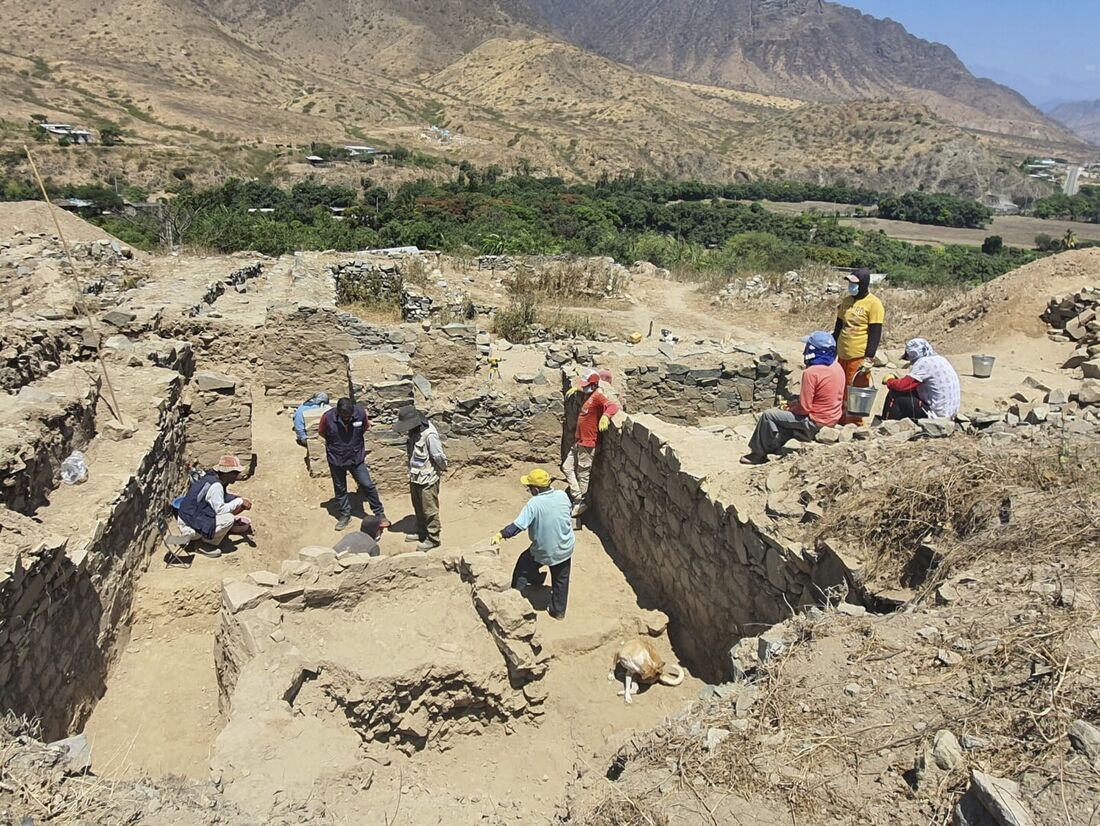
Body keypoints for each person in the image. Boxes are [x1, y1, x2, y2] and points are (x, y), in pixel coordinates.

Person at [741, 331, 845, 465]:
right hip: (833, 417)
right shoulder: (837, 367)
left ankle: (757, 454)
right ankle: (777, 443)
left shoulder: (811, 372)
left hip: (816, 421)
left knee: (768, 415)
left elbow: (805, 408)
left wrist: (790, 407)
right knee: (787, 410)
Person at [491, 469, 575, 620]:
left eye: (529, 487)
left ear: (536, 489)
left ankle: (515, 597)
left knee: (523, 565)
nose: (529, 490)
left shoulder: (534, 504)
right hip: (565, 547)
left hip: (544, 550)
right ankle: (558, 612)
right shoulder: (562, 495)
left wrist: (501, 534)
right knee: (561, 580)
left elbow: (518, 526)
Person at [318, 397, 389, 532]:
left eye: (348, 416)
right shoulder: (328, 417)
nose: (346, 419)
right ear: (338, 412)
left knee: (367, 484)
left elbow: (365, 427)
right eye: (343, 416)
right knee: (340, 488)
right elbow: (322, 433)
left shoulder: (360, 414)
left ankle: (379, 513)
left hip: (356, 457)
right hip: (336, 458)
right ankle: (345, 514)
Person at [562, 369, 619, 517]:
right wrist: (578, 389)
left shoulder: (598, 396)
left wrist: (606, 416)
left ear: (594, 385)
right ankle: (577, 495)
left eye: (587, 385)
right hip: (579, 441)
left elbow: (612, 406)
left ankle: (580, 502)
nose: (584, 387)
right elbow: (585, 389)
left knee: (583, 473)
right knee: (567, 467)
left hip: (588, 443)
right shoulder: (589, 394)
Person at [833, 267, 885, 425]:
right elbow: (839, 326)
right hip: (842, 353)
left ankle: (854, 422)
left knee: (856, 389)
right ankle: (841, 418)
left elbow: (875, 332)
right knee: (840, 387)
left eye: (854, 283)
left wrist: (869, 357)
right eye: (849, 283)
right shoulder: (846, 301)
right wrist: (831, 347)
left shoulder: (874, 304)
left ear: (864, 284)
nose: (851, 286)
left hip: (859, 355)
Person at [393, 404, 447, 552]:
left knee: (430, 510)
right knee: (418, 507)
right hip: (416, 476)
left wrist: (439, 471)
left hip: (428, 478)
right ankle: (422, 532)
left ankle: (433, 539)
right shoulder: (413, 432)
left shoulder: (429, 434)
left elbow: (438, 457)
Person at [177, 455, 254, 557]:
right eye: (235, 473)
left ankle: (207, 535)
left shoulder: (211, 477)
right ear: (227, 473)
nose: (237, 475)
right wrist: (239, 501)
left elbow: (222, 497)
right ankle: (204, 544)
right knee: (229, 519)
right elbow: (220, 510)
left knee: (229, 509)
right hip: (189, 526)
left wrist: (236, 499)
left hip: (188, 517)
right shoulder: (216, 486)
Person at [881, 338, 961, 421]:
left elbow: (902, 386)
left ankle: (886, 425)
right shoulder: (941, 359)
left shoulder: (924, 362)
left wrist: (890, 381)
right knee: (909, 393)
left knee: (895, 394)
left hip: (937, 415)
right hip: (949, 413)